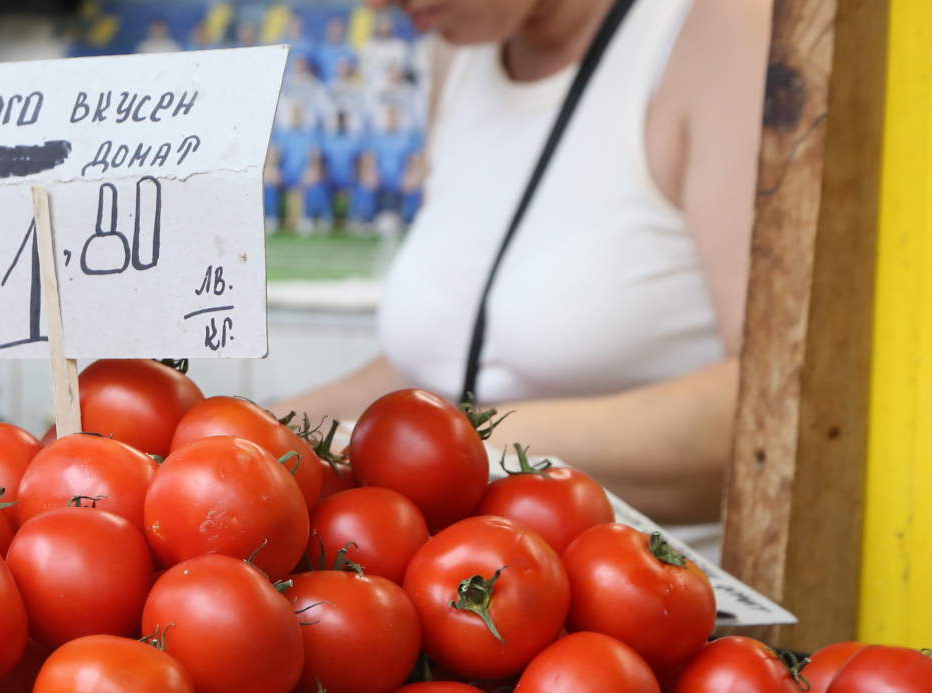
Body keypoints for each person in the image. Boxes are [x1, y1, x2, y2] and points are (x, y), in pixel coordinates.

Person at [276, 0, 768, 528]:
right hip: (474, 578)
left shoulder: (722, 30)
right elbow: (454, 360)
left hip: (650, 586)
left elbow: (773, 404)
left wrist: (440, 445)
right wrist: (269, 427)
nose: (374, 6)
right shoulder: (459, 51)